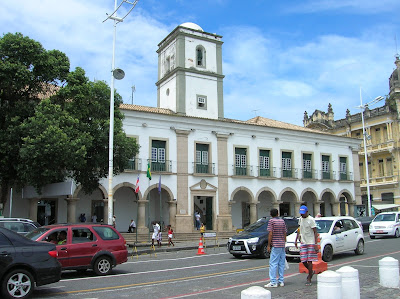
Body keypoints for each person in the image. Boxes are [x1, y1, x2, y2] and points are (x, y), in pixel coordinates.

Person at [295, 205, 319, 286]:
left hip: (310, 242)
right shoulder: (301, 219)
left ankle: (309, 277)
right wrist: (296, 238)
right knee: (303, 260)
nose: (302, 215)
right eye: (301, 213)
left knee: (309, 261)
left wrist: (316, 244)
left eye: (303, 213)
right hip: (303, 241)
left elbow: (315, 232)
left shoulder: (311, 220)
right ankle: (311, 272)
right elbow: (299, 229)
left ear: (307, 212)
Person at [265, 208, 287, 288]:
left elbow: (270, 233)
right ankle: (281, 281)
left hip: (276, 244)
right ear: (278, 214)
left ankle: (273, 281)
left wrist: (268, 244)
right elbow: (285, 232)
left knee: (273, 263)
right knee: (281, 263)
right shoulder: (282, 221)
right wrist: (284, 241)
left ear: (271, 214)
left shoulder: (271, 221)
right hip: (282, 244)